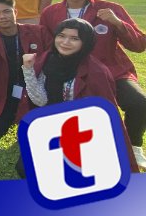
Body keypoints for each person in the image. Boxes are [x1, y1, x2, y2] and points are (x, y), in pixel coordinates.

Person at [40, 0, 146, 169]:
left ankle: (134, 146)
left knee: (139, 103)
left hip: (113, 71)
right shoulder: (51, 12)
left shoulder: (111, 9)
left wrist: (118, 23)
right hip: (69, 73)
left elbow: (139, 45)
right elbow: (46, 44)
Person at [23, 18, 141, 173]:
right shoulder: (47, 60)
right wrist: (28, 70)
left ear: (85, 42)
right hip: (53, 125)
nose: (65, 42)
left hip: (81, 133)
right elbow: (41, 100)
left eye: (74, 38)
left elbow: (100, 120)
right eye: (61, 36)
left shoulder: (96, 72)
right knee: (26, 168)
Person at [0, 0, 49, 136]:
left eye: (6, 11)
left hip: (35, 87)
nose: (2, 16)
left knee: (35, 129)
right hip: (4, 89)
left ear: (15, 12)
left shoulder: (38, 32)